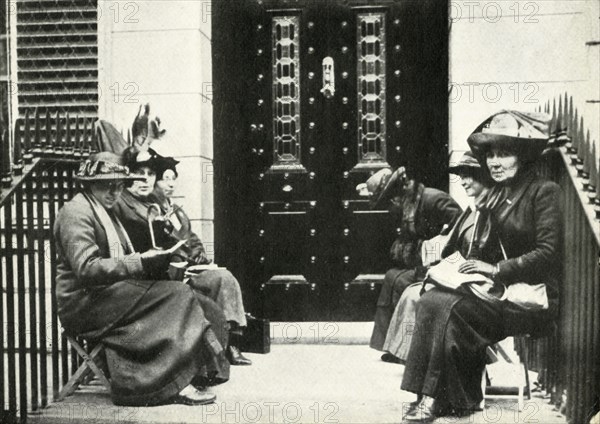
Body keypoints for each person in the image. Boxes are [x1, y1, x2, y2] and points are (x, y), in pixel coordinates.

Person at [401, 111, 562, 422]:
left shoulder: (543, 192)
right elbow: (479, 248)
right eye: (490, 155)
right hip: (498, 293)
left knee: (451, 310)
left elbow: (547, 253)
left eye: (504, 153)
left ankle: (436, 398)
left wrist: (495, 270)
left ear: (523, 156)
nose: (494, 162)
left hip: (530, 300)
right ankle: (441, 396)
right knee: (432, 299)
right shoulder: (499, 194)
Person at [54, 152, 229, 407]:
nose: (115, 192)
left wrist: (151, 260)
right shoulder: (76, 213)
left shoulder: (103, 210)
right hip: (84, 304)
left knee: (191, 297)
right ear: (90, 183)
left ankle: (194, 372)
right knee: (176, 296)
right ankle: (167, 383)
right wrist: (140, 261)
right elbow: (87, 269)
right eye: (107, 185)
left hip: (108, 295)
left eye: (119, 185)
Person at [113, 147, 252, 366]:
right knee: (213, 287)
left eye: (150, 174)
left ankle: (229, 343)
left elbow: (189, 237)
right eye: (138, 173)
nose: (145, 180)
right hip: (153, 278)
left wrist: (199, 256)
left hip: (179, 269)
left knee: (223, 277)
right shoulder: (122, 204)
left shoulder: (159, 206)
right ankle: (209, 355)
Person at [380, 151, 494, 364]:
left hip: (477, 282)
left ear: (485, 177)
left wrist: (438, 256)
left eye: (470, 176)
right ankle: (407, 356)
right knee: (408, 290)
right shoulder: (476, 208)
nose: (463, 182)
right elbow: (457, 241)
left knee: (417, 294)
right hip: (452, 267)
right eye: (462, 176)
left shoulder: (488, 209)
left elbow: (466, 243)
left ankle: (422, 365)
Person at [360, 167, 461, 362]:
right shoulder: (410, 204)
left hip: (442, 265)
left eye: (390, 199)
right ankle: (394, 347)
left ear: (399, 193)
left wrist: (434, 252)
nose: (391, 204)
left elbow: (461, 233)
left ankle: (409, 351)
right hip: (425, 262)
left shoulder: (433, 200)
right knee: (391, 276)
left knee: (401, 281)